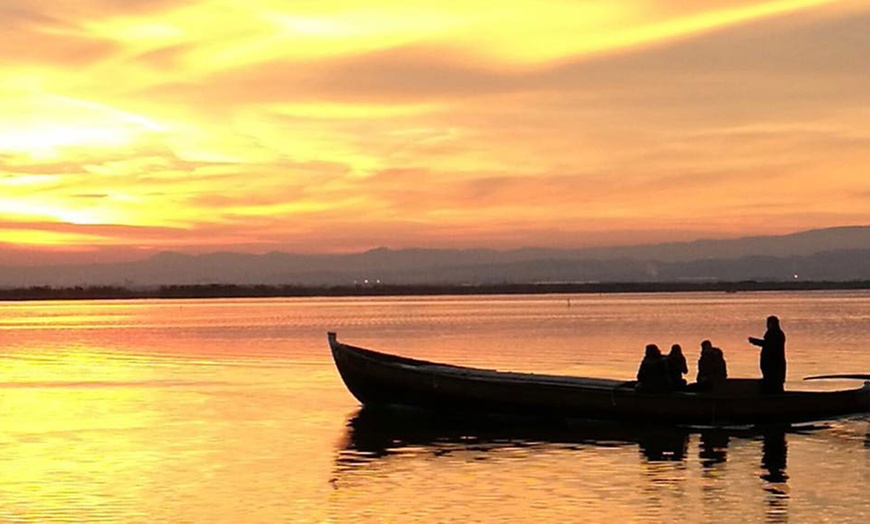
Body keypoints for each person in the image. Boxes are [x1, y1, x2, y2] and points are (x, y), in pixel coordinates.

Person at [749, 315, 787, 393]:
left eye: (769, 323)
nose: (767, 325)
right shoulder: (773, 333)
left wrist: (755, 341)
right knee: (770, 380)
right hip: (769, 363)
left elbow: (769, 345)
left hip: (774, 363)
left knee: (774, 381)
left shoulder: (776, 334)